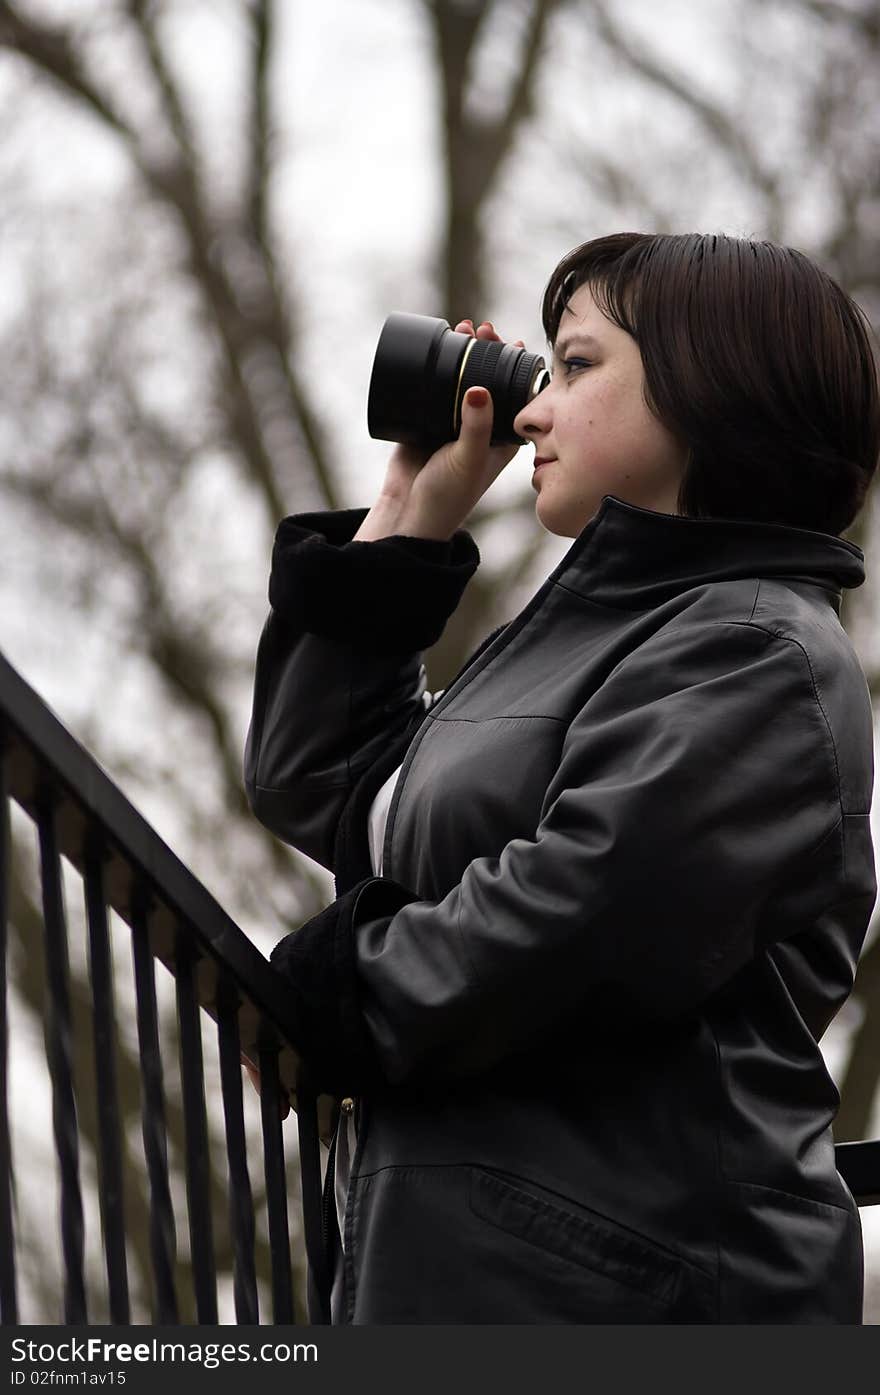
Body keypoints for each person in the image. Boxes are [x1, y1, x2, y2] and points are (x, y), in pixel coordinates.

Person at [243, 231, 880, 1324]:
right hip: (470, 1281)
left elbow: (588, 907)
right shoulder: (585, 643)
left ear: (707, 387)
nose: (530, 409)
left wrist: (345, 994)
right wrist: (410, 515)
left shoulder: (761, 648)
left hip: (641, 1303)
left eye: (575, 366)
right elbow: (329, 790)